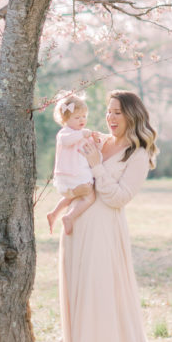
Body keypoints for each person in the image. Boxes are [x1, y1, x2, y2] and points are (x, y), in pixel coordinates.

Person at [58, 88, 172, 342]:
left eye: (117, 112)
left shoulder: (137, 154)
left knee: (100, 297)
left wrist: (97, 166)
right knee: (79, 294)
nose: (110, 117)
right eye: (108, 111)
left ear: (132, 116)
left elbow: (119, 198)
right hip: (76, 227)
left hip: (103, 232)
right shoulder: (98, 140)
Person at [47, 93, 99, 236]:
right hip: (72, 173)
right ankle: (69, 217)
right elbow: (67, 141)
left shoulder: (79, 133)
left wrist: (96, 141)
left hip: (73, 174)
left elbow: (89, 148)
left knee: (72, 195)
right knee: (89, 196)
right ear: (65, 119)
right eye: (77, 117)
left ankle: (54, 213)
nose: (82, 120)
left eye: (84, 116)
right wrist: (83, 134)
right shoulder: (65, 133)